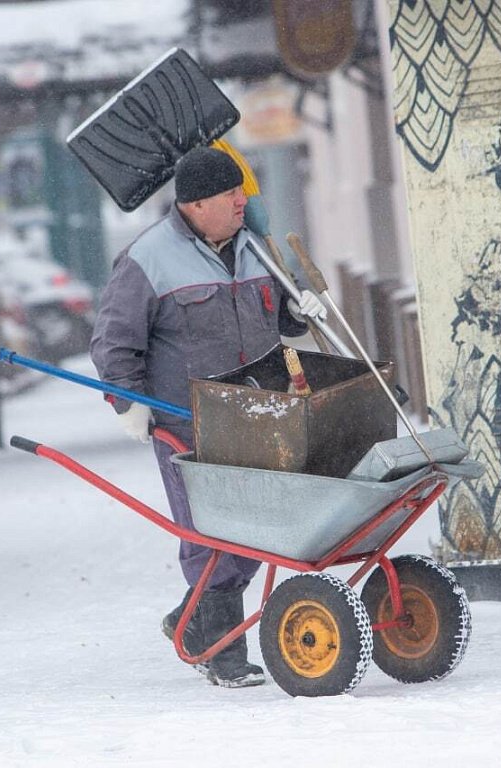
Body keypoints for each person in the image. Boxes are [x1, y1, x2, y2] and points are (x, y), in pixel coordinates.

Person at [90, 146, 327, 688]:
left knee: (262, 530)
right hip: (189, 422)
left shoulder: (256, 249)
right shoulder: (147, 258)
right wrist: (127, 402)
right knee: (212, 533)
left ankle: (193, 623)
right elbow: (113, 342)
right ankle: (224, 653)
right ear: (195, 204)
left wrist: (300, 305)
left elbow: (281, 321)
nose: (242, 201)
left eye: (241, 191)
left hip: (261, 413)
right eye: (230, 194)